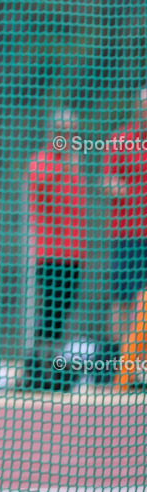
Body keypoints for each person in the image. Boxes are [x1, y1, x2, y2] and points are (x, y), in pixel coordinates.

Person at [19, 109, 86, 390]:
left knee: (62, 311)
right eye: (64, 132)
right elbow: (42, 198)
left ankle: (54, 366)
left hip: (74, 253)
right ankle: (38, 366)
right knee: (46, 310)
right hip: (48, 253)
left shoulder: (76, 165)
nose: (69, 138)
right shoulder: (41, 163)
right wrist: (66, 165)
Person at [103, 88, 147, 387]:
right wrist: (127, 192)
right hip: (128, 235)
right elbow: (106, 182)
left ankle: (140, 365)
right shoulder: (119, 141)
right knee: (125, 301)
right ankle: (122, 365)